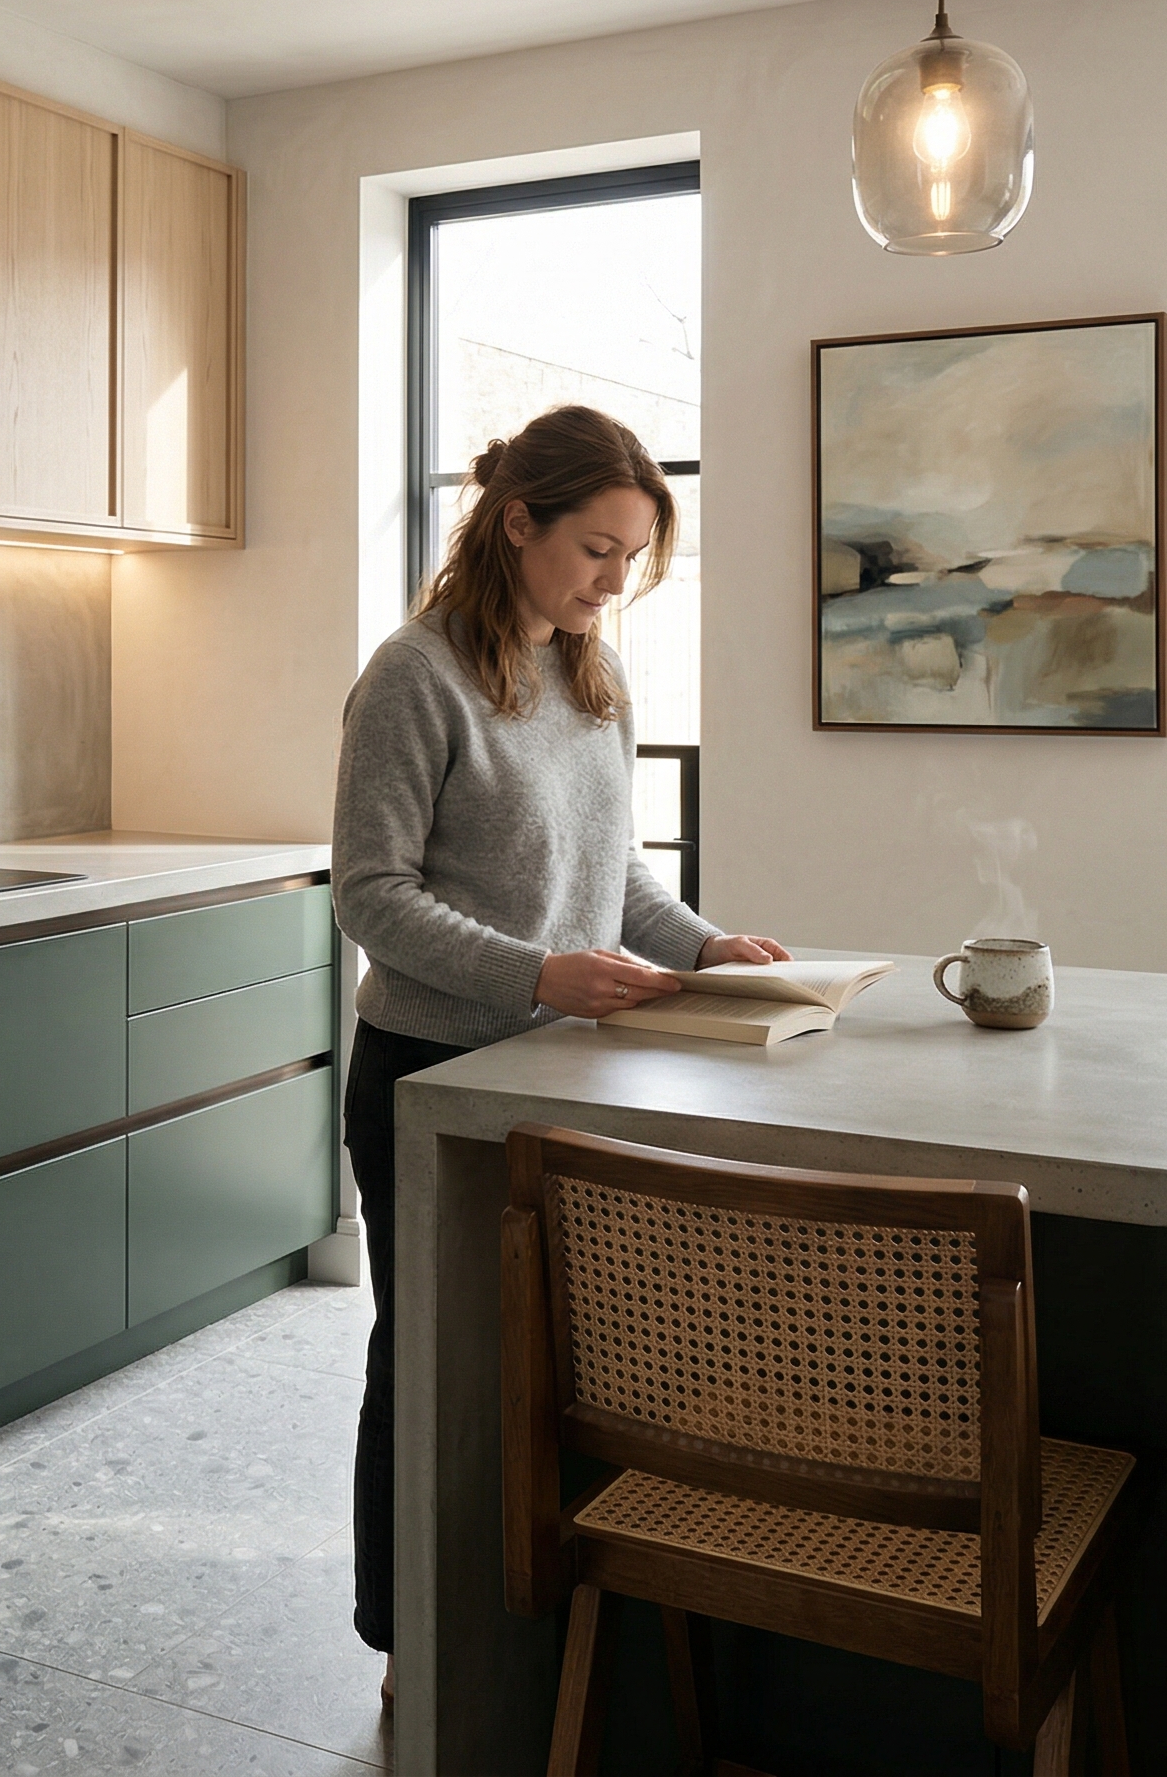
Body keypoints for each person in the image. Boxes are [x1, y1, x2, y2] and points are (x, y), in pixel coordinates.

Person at [330, 403, 789, 1704]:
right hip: (432, 1077)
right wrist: (537, 973)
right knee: (433, 1361)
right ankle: (411, 1644)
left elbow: (613, 875)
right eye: (597, 550)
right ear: (516, 523)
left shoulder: (595, 676)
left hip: (566, 1067)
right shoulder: (415, 677)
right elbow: (370, 895)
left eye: (634, 556)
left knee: (564, 1362)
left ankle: (532, 1616)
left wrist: (707, 948)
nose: (615, 581)